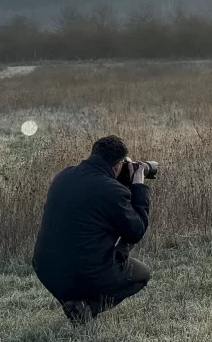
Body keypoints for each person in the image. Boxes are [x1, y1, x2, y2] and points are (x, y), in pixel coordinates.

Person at [32, 135, 152, 325]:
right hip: (84, 273)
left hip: (46, 270)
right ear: (118, 165)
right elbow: (135, 231)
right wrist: (138, 186)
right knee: (142, 274)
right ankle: (88, 308)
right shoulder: (111, 190)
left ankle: (75, 302)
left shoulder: (63, 175)